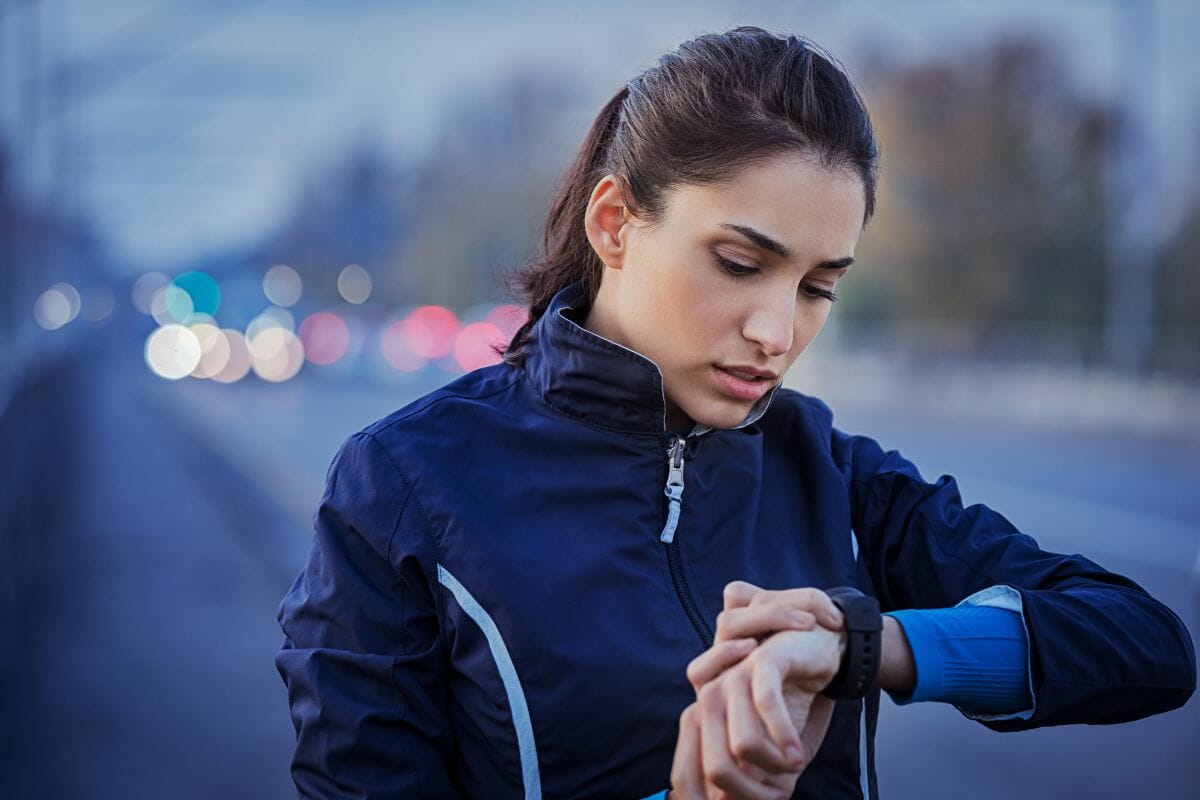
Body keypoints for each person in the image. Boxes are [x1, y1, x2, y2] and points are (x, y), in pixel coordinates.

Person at [274, 26, 1196, 800]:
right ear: (614, 224)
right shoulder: (404, 482)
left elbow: (1147, 645)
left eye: (818, 287)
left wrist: (866, 646)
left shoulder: (828, 467)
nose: (777, 331)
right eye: (741, 263)